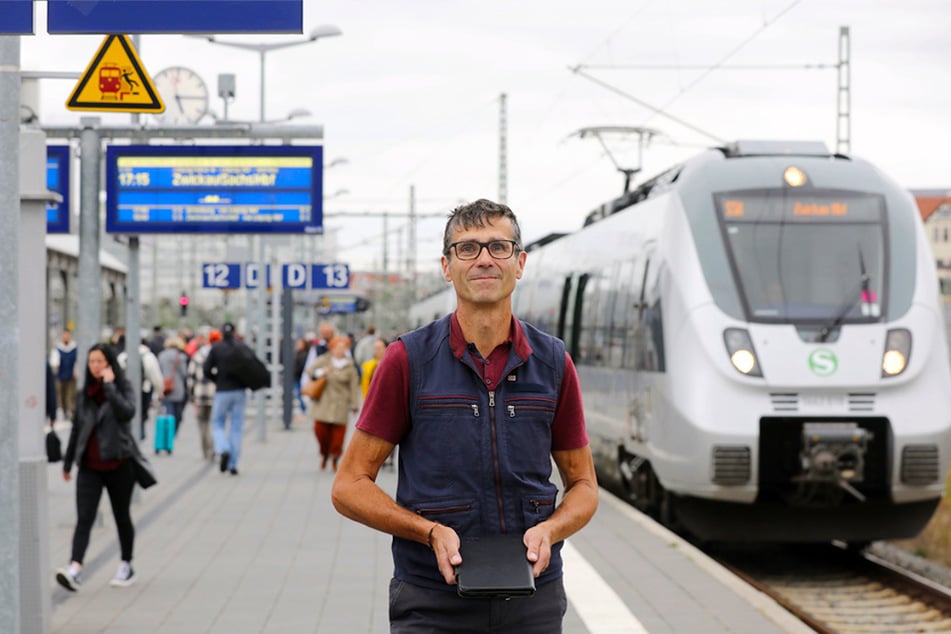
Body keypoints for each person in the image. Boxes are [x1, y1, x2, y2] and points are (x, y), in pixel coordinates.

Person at [331, 199, 599, 633]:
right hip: (432, 601)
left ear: (520, 262)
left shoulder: (552, 362)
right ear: (446, 266)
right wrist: (429, 532)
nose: (485, 259)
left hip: (533, 599)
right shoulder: (408, 360)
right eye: (468, 248)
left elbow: (584, 485)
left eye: (499, 246)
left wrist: (550, 530)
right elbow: (348, 486)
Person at [56, 343, 139, 592]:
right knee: (84, 518)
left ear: (110, 364)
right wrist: (68, 461)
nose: (95, 366)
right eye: (92, 362)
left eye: (100, 361)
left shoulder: (122, 387)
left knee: (121, 516)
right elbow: (77, 429)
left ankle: (126, 564)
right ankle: (75, 568)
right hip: (90, 466)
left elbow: (127, 413)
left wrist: (110, 387)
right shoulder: (85, 394)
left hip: (118, 463)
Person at [306, 335, 361, 471]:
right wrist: (321, 372)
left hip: (340, 405)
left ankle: (335, 458)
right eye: (337, 347)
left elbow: (354, 386)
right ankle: (324, 454)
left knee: (338, 437)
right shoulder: (324, 360)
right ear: (332, 348)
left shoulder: (350, 365)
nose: (340, 351)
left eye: (343, 348)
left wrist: (355, 404)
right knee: (321, 432)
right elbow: (310, 371)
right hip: (323, 403)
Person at [203, 322, 250, 475]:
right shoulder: (241, 347)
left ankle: (223, 448)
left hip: (222, 390)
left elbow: (206, 369)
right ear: (235, 332)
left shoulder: (216, 348)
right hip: (239, 391)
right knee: (236, 427)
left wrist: (217, 379)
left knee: (217, 423)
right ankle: (233, 464)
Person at [118, 338, 165, 441]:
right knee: (141, 414)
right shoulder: (148, 356)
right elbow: (155, 375)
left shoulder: (123, 356)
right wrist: (160, 391)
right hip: (144, 390)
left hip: (125, 391)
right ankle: (139, 435)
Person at [188, 329, 220, 461]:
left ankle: (205, 450)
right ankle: (212, 448)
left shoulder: (198, 355)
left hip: (200, 395)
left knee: (202, 423)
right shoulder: (219, 355)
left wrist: (191, 393)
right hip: (215, 394)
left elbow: (191, 377)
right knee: (214, 423)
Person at [157, 336, 189, 437]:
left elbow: (158, 371)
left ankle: (167, 434)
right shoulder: (181, 357)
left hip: (164, 387)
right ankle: (173, 432)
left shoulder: (161, 356)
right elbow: (184, 373)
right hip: (178, 388)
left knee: (167, 410)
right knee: (177, 413)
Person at [50, 328, 78, 422]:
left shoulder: (74, 348)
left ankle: (72, 412)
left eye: (67, 335)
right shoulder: (58, 349)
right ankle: (65, 411)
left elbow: (77, 361)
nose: (66, 337)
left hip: (71, 375)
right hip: (61, 375)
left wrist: (75, 371)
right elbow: (54, 363)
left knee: (71, 395)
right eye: (64, 335)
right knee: (61, 394)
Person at [293, 336, 311, 415]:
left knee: (299, 394)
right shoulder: (298, 353)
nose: (298, 345)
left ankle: (304, 409)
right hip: (297, 376)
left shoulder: (303, 354)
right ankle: (303, 409)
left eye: (300, 344)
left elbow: (302, 366)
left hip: (299, 377)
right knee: (298, 394)